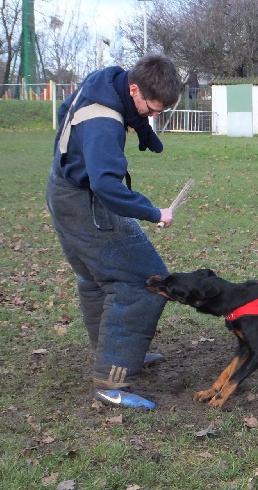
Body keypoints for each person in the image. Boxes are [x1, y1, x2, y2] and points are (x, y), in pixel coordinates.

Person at [46, 54, 182, 410]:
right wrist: (154, 213)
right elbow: (106, 185)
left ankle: (116, 354)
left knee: (96, 281)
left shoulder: (107, 81)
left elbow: (67, 112)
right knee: (146, 281)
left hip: (63, 191)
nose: (155, 116)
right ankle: (114, 381)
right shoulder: (104, 123)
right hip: (86, 202)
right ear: (135, 89)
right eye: (153, 109)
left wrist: (144, 132)